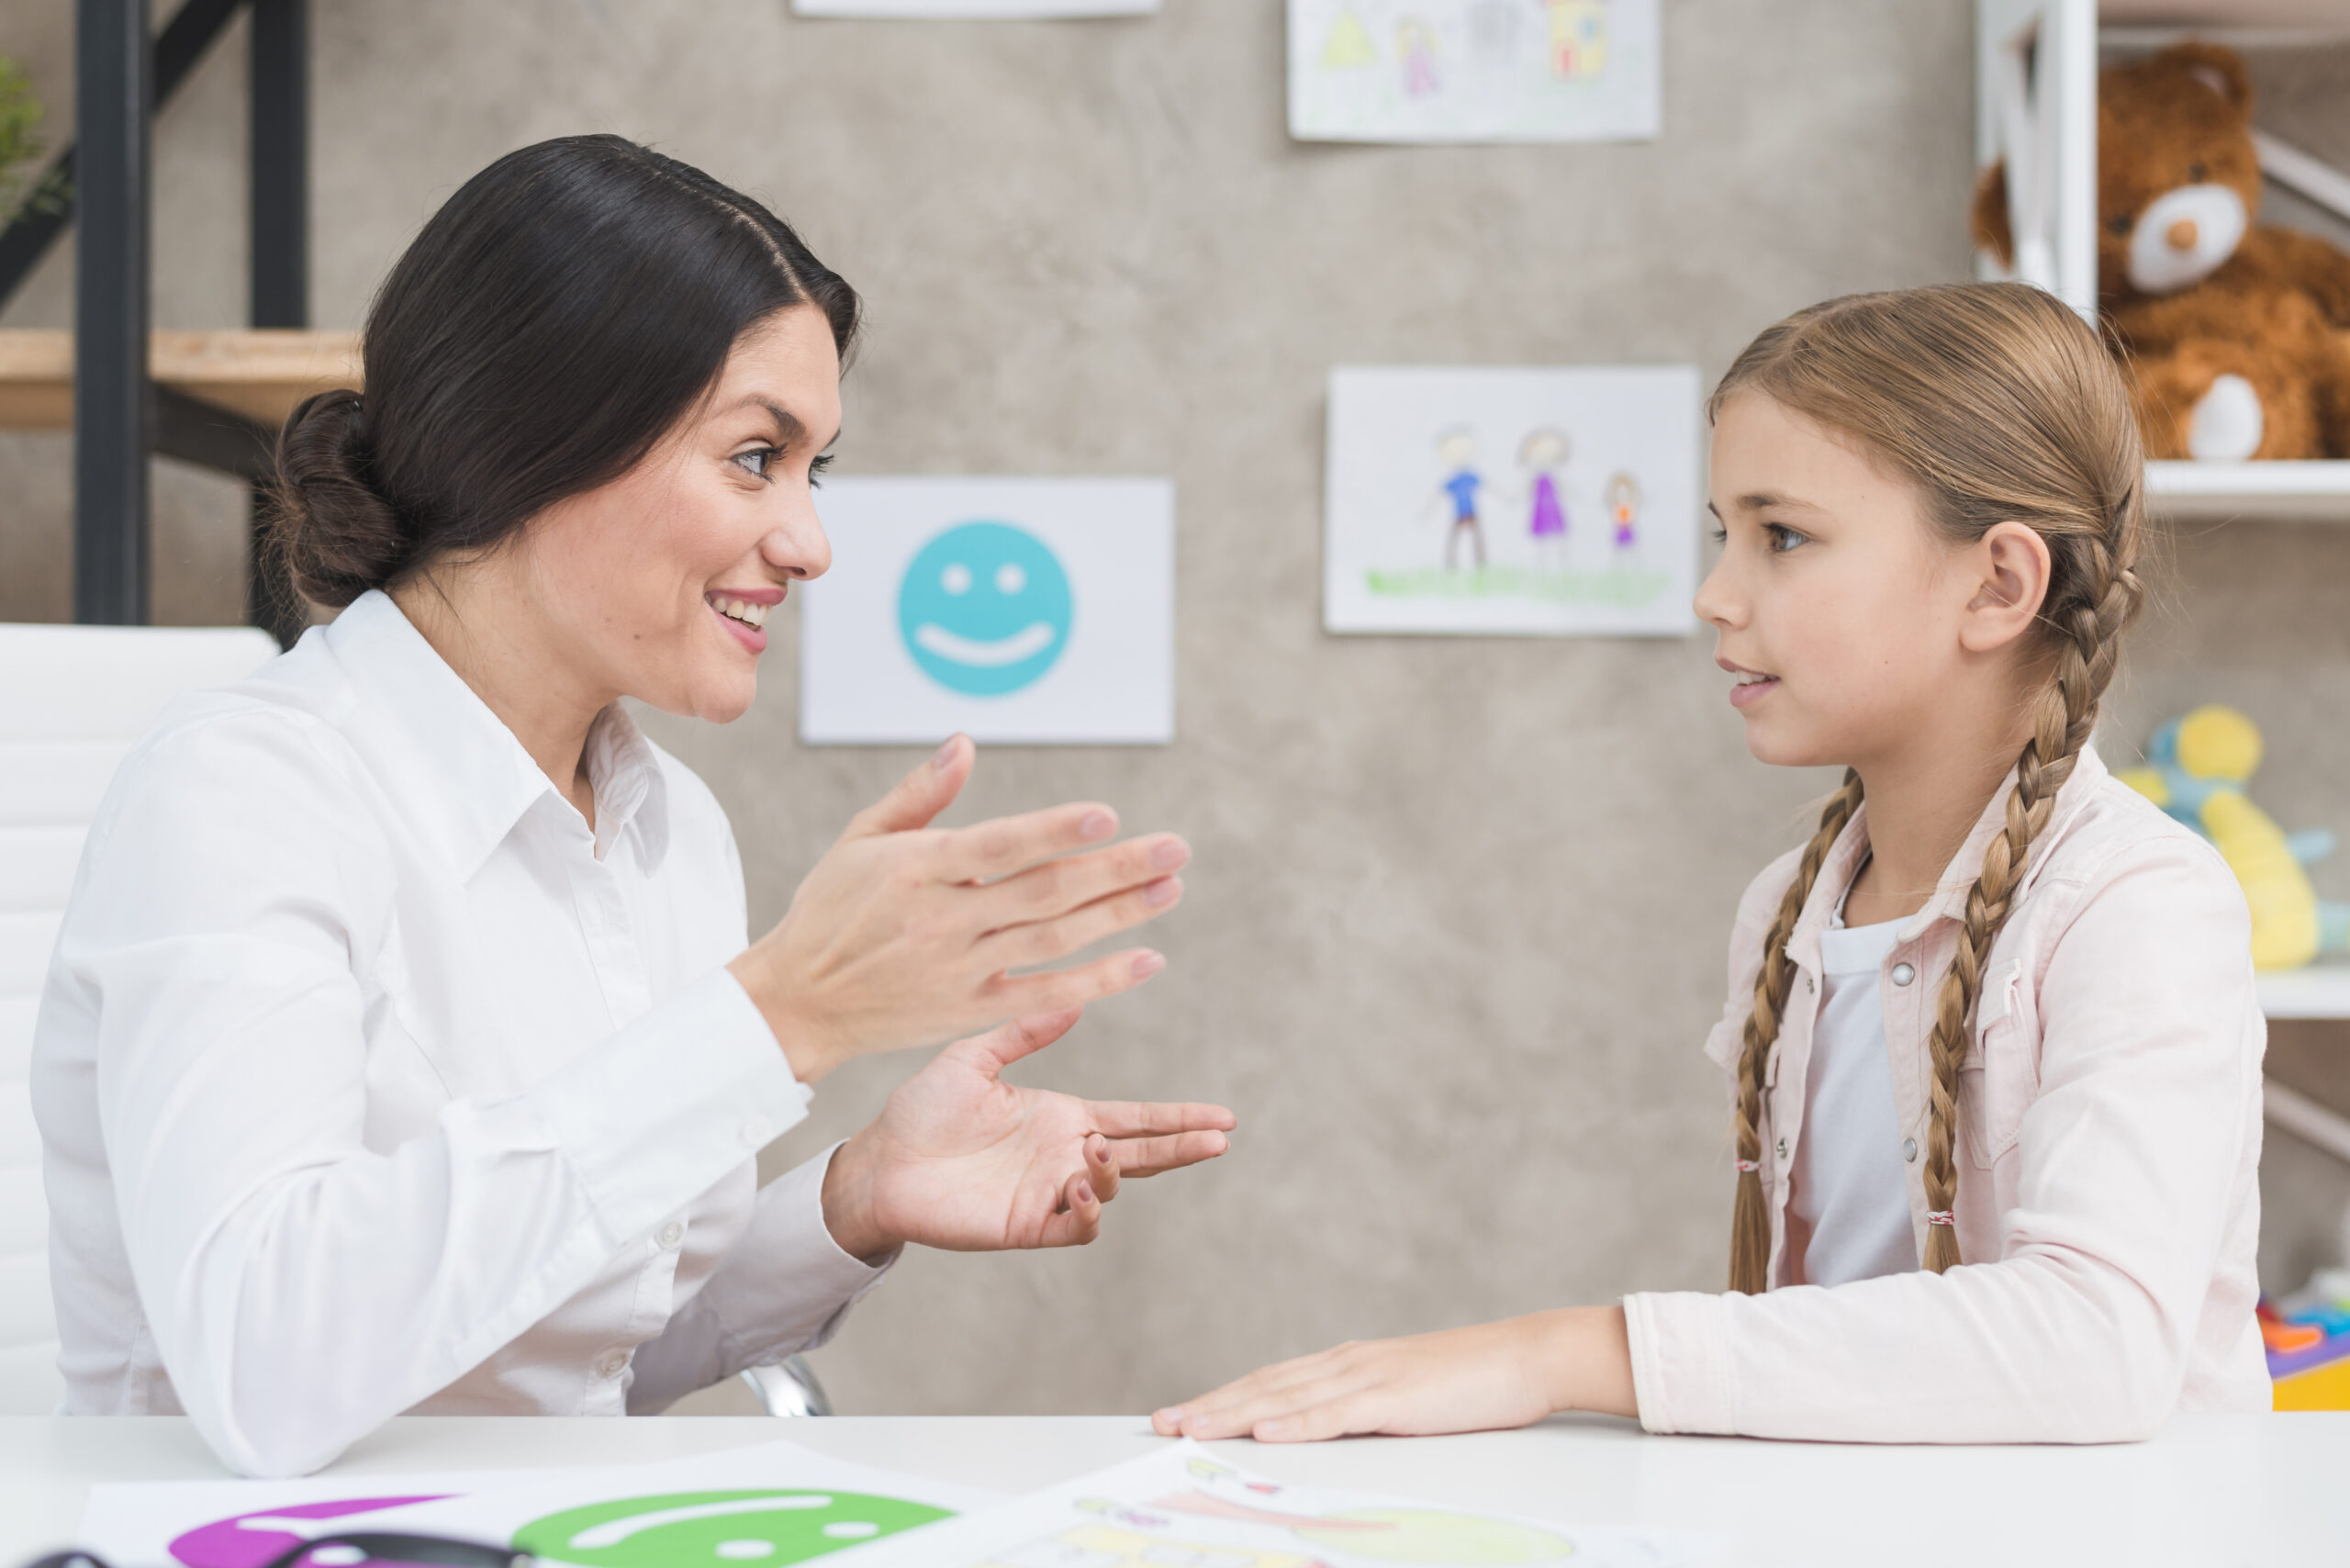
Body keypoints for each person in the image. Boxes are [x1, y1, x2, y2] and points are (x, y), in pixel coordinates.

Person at [31, 135, 1233, 1479]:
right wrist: (779, 1017)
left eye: (812, 470)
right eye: (756, 457)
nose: (812, 543)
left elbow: (570, 1359)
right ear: (536, 438)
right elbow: (273, 1363)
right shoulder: (246, 792)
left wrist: (853, 1200)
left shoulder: (668, 833)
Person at [1154, 283, 2266, 1444]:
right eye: (1721, 534)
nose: (1713, 594)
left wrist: (1567, 1351)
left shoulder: (2137, 911)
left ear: (1996, 584)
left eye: (1781, 535)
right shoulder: (1787, 910)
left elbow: (2092, 1344)